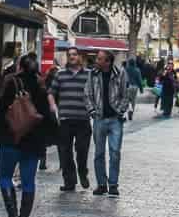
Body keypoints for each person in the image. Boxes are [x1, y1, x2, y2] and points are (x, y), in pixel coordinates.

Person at [0, 53, 56, 217]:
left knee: (4, 176)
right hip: (32, 141)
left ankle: (12, 215)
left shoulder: (12, 83)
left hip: (11, 137)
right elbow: (47, 115)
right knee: (28, 181)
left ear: (20, 66)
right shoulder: (42, 86)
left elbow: (1, 108)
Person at [87, 49, 131, 196]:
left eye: (100, 59)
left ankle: (113, 184)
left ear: (108, 61)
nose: (96, 61)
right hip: (99, 118)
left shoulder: (120, 73)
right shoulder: (92, 74)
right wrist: (92, 111)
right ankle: (101, 184)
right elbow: (87, 94)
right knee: (99, 153)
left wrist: (120, 111)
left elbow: (126, 94)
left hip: (115, 120)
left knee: (115, 153)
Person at [49, 47, 92, 192]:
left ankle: (82, 172)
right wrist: (53, 106)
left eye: (74, 54)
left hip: (83, 119)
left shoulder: (89, 75)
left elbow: (95, 93)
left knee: (82, 149)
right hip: (65, 119)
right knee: (64, 151)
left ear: (80, 57)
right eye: (69, 55)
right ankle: (69, 181)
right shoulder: (60, 74)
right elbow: (51, 93)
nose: (71, 57)